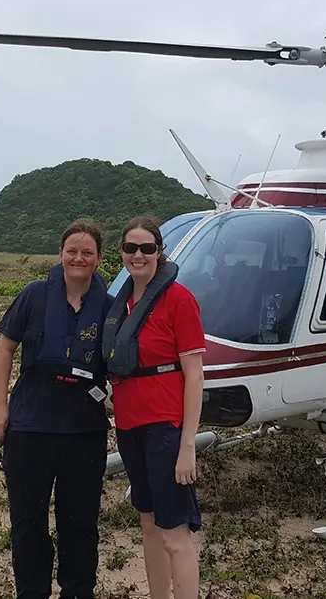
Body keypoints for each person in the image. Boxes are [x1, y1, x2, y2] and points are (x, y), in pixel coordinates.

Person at [0, 218, 114, 599]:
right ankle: (32, 592)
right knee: (28, 522)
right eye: (72, 251)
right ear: (60, 254)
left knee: (80, 523)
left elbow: (121, 368)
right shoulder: (34, 295)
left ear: (99, 259)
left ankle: (78, 592)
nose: (79, 258)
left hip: (84, 432)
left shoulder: (109, 308)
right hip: (30, 427)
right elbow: (5, 349)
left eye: (87, 252)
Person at [102, 215, 205, 599]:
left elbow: (194, 376)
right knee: (148, 523)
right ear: (122, 254)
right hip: (129, 427)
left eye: (147, 248)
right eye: (131, 248)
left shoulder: (179, 299)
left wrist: (187, 445)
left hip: (165, 426)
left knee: (175, 532)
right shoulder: (121, 304)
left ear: (159, 253)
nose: (138, 255)